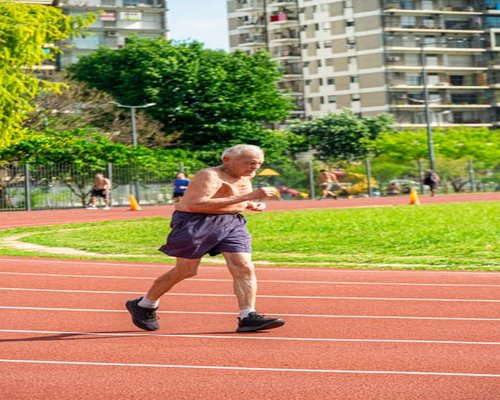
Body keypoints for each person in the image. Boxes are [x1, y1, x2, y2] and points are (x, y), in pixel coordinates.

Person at [125, 144, 285, 333]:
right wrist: (249, 196)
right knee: (186, 270)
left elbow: (232, 196)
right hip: (195, 222)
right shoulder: (208, 175)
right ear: (227, 160)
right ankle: (145, 304)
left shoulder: (246, 176)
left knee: (243, 266)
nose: (254, 168)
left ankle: (247, 316)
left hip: (232, 222)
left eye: (258, 164)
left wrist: (250, 203)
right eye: (249, 163)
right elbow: (196, 203)